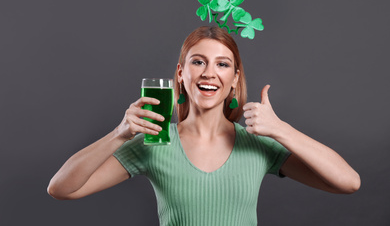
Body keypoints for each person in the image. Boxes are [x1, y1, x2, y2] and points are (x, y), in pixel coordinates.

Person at [47, 26, 360, 225]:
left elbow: (348, 182)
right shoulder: (155, 142)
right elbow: (61, 189)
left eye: (222, 64)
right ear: (182, 74)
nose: (210, 73)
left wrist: (281, 130)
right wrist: (119, 134)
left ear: (234, 78)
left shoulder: (257, 143)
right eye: (199, 62)